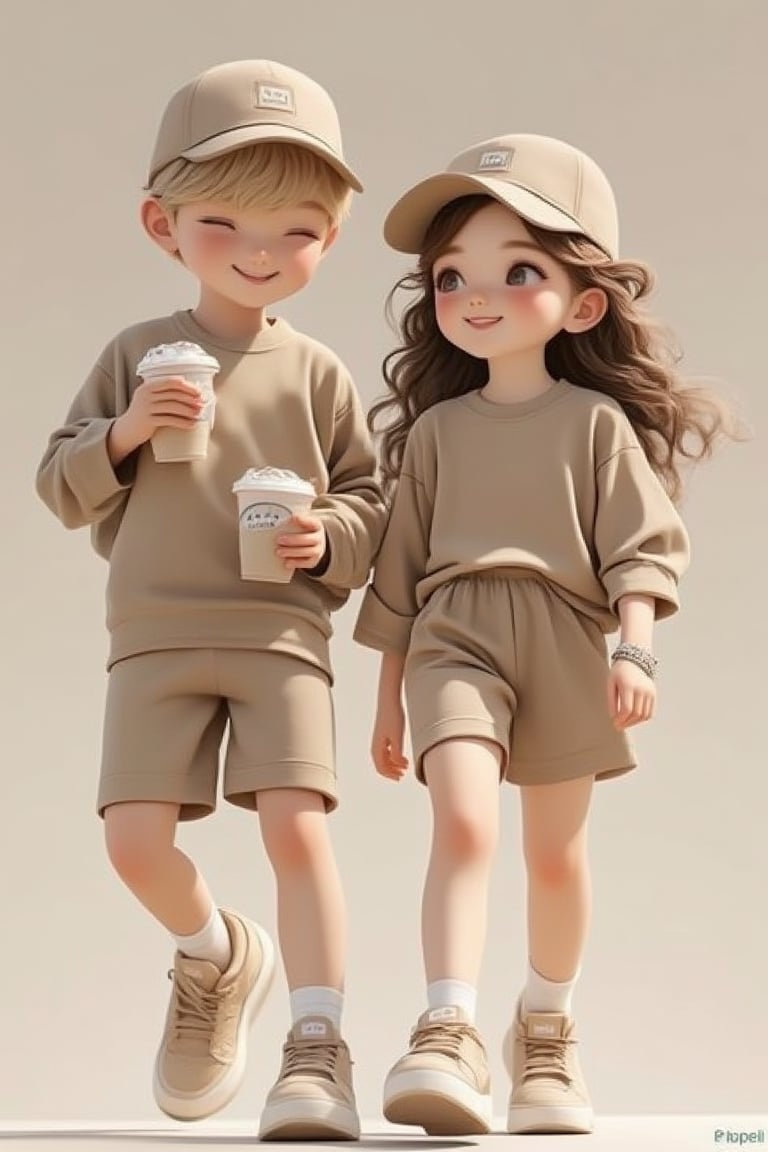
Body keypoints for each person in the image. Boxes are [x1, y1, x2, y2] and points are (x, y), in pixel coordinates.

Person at [354, 133, 734, 1136]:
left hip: (569, 639)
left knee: (556, 857)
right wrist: (389, 698)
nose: (476, 296)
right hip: (455, 638)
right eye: (450, 277)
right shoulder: (436, 435)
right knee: (465, 823)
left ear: (584, 301)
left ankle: (549, 1032)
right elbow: (398, 576)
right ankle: (448, 1028)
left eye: (518, 270)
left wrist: (635, 647)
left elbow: (638, 551)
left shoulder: (595, 427)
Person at [36, 59, 384, 1142]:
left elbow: (372, 507)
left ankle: (318, 1045)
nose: (261, 251)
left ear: (329, 237)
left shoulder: (320, 372)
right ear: (162, 223)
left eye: (298, 230)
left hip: (283, 635)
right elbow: (57, 483)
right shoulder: (136, 355)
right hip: (154, 633)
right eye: (225, 220)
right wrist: (133, 428)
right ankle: (215, 954)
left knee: (299, 831)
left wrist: (322, 534)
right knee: (135, 842)